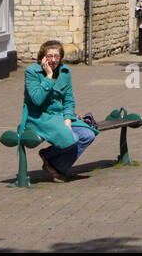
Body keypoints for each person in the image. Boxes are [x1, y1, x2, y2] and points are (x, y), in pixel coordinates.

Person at [24, 40, 98, 182]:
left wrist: (68, 119)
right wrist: (49, 76)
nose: (53, 60)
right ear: (42, 57)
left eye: (56, 56)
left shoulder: (65, 71)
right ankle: (52, 161)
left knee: (87, 135)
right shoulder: (32, 72)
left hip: (60, 115)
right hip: (40, 117)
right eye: (49, 56)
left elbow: (69, 100)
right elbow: (37, 99)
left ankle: (54, 165)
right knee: (72, 138)